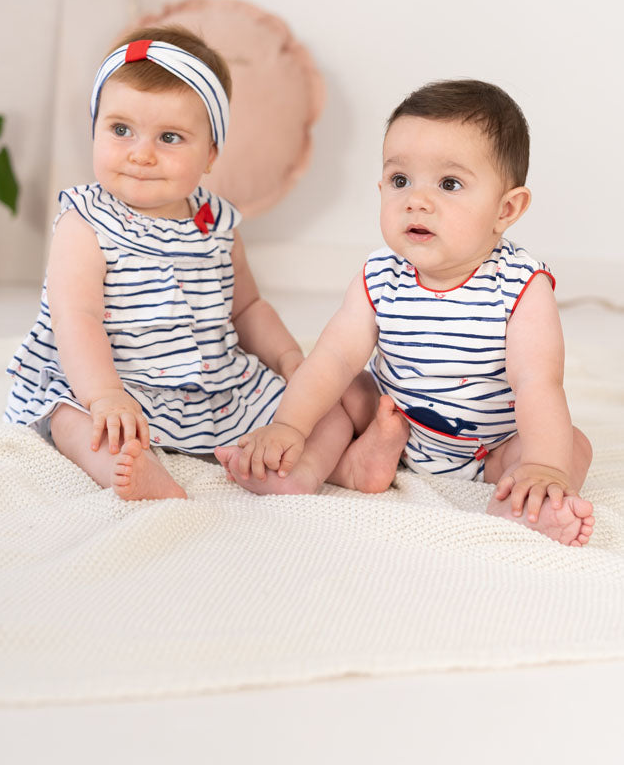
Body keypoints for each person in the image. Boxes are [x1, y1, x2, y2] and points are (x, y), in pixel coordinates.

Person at [216, 80, 595, 547]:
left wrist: (543, 464)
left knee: (570, 445)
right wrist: (289, 425)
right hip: (390, 419)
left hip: (488, 448)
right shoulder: (380, 275)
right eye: (400, 181)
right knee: (339, 389)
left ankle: (521, 503)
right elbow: (335, 355)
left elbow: (537, 383)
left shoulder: (521, 287)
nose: (416, 200)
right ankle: (307, 469)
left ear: (506, 209)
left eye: (449, 184)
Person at [5, 25, 362, 501]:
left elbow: (247, 309)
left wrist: (288, 359)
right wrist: (104, 395)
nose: (141, 154)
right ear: (95, 127)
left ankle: (306, 471)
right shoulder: (85, 222)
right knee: (74, 422)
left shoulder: (216, 222)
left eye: (169, 137)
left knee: (324, 409)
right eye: (120, 130)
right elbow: (77, 319)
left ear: (210, 153)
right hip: (113, 380)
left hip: (215, 387)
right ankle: (136, 472)